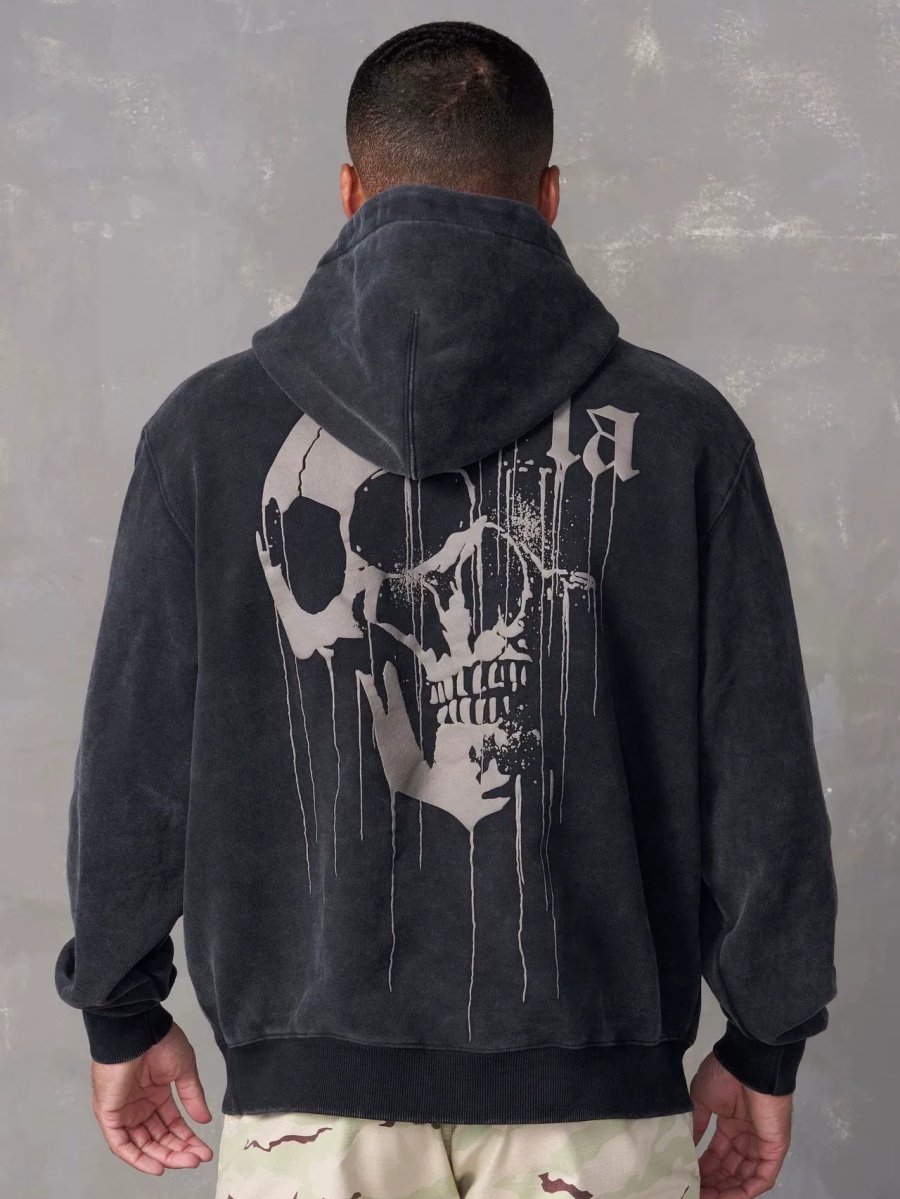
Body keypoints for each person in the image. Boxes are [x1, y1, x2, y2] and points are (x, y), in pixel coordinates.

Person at [53, 18, 838, 1199]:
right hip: (598, 1102)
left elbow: (135, 761)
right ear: (550, 196)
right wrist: (765, 1033)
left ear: (349, 192)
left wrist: (120, 1005)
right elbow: (759, 768)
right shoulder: (684, 434)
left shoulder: (206, 434)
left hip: (310, 1113)